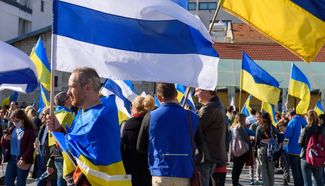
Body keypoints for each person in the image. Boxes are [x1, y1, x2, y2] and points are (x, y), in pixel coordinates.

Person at [47, 67, 130, 185]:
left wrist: (60, 131)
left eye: (72, 87)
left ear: (87, 87)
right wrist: (58, 130)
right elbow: (75, 148)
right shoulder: (83, 112)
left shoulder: (101, 116)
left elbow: (76, 147)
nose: (68, 92)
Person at [137, 83, 199, 186]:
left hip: (160, 171)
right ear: (175, 94)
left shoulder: (150, 117)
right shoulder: (192, 117)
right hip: (184, 171)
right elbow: (200, 145)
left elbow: (140, 146)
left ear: (159, 97)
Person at [194, 88, 227, 186]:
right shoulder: (217, 105)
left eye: (197, 91)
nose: (195, 94)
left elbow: (195, 128)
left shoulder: (210, 107)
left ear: (206, 91)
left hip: (206, 156)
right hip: (210, 155)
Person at [121, 96, 153, 186]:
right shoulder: (152, 123)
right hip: (148, 169)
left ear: (134, 108)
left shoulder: (127, 124)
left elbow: (123, 148)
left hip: (131, 170)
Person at [1, 109, 36, 186]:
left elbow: (31, 147)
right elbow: (5, 145)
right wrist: (5, 139)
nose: (15, 123)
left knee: (20, 183)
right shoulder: (12, 129)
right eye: (13, 121)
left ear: (23, 120)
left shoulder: (30, 130)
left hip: (23, 159)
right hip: (11, 159)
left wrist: (23, 158)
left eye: (17, 121)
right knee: (8, 182)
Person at [47, 91, 75, 186]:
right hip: (65, 153)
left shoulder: (54, 115)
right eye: (70, 97)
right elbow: (73, 135)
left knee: (59, 178)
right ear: (66, 101)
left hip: (55, 152)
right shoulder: (68, 114)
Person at [299, 110, 325, 186]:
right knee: (318, 181)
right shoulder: (322, 129)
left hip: (306, 157)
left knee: (307, 182)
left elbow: (300, 143)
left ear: (308, 118)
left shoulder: (305, 129)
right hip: (318, 157)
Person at [255, 112, 279, 186]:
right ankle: (271, 184)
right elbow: (277, 135)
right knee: (271, 169)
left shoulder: (259, 127)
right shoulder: (272, 127)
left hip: (262, 149)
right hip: (271, 149)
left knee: (263, 168)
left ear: (262, 118)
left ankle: (266, 184)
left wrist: (255, 149)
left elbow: (257, 139)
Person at [284, 110, 305, 186]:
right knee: (301, 171)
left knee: (295, 171)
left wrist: (283, 147)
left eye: (288, 117)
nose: (288, 119)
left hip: (293, 150)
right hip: (302, 150)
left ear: (290, 115)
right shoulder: (304, 120)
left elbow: (287, 135)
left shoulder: (292, 122)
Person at [231, 113, 251, 186]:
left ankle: (235, 182)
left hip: (235, 149)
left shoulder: (234, 126)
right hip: (241, 150)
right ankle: (235, 182)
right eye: (245, 119)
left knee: (236, 166)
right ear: (242, 119)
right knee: (238, 167)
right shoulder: (240, 127)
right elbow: (246, 138)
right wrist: (250, 138)